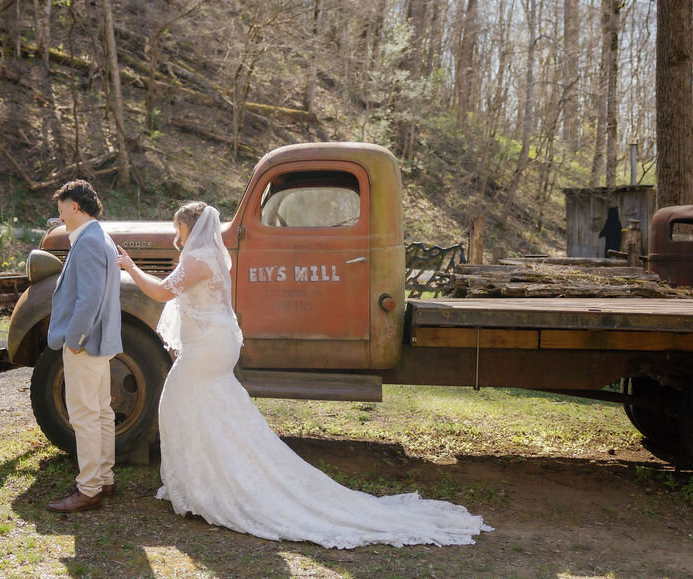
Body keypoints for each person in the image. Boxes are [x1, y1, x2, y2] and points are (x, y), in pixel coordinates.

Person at [117, 201, 493, 547]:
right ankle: (201, 483)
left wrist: (131, 268)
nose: (174, 236)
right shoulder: (210, 254)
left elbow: (164, 293)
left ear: (191, 228)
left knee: (180, 401)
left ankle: (212, 487)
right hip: (213, 345)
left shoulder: (198, 258)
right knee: (212, 409)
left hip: (208, 349)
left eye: (178, 228)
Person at [46, 180, 123, 513]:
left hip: (86, 343)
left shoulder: (89, 241)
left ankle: (89, 488)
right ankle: (103, 478)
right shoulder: (99, 237)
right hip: (100, 340)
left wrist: (75, 339)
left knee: (85, 415)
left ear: (74, 206)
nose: (60, 215)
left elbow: (89, 297)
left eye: (61, 208)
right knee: (102, 412)